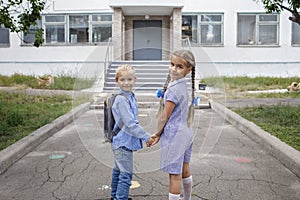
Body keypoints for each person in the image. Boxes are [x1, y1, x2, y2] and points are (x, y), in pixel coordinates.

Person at [151, 49, 196, 200]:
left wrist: (157, 134)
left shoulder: (173, 90)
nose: (174, 69)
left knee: (174, 175)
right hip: (186, 133)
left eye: (179, 66)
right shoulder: (184, 86)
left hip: (174, 136)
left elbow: (164, 117)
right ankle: (187, 198)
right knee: (184, 168)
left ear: (188, 70)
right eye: (172, 64)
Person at [110, 64, 154, 200]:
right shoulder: (122, 100)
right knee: (126, 174)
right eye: (122, 80)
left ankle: (115, 196)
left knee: (118, 171)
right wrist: (147, 137)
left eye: (129, 79)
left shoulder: (130, 96)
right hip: (122, 142)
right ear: (116, 81)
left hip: (121, 141)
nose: (126, 83)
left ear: (135, 80)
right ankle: (120, 198)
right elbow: (130, 124)